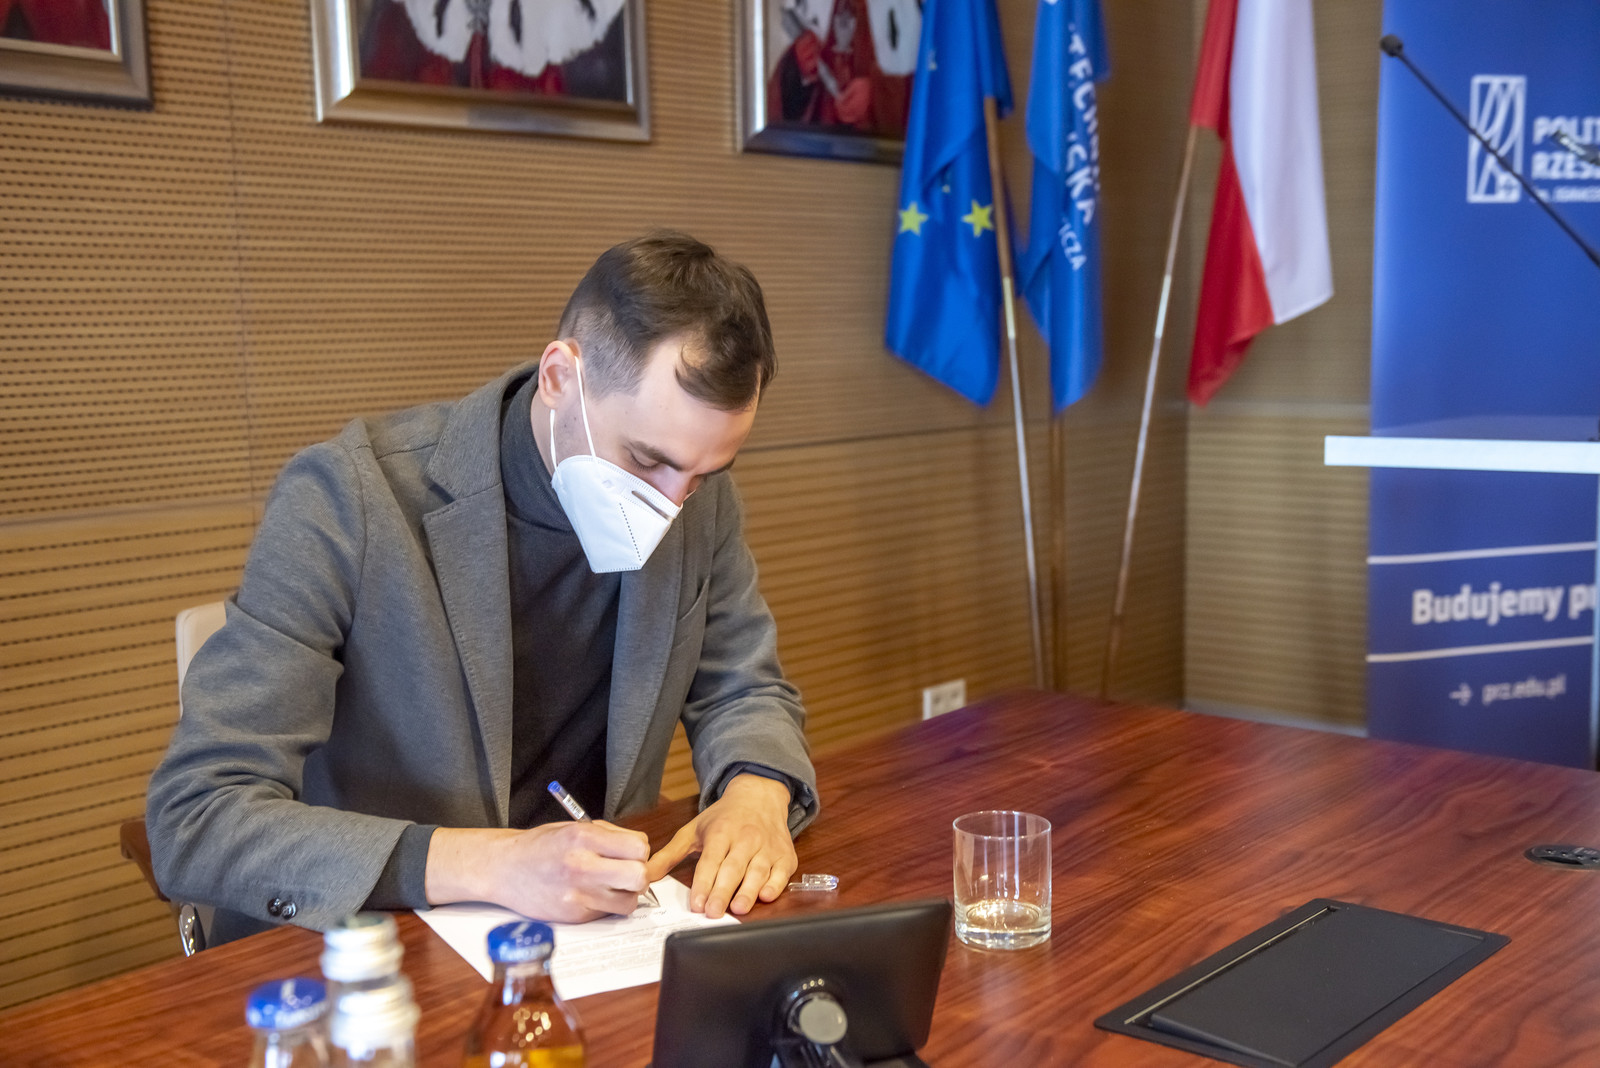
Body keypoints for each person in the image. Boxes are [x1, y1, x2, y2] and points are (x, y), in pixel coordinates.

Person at [146, 233, 818, 944]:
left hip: (594, 934)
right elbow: (197, 818)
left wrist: (757, 790)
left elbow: (744, 688)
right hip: (372, 940)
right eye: (646, 460)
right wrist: (491, 864)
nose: (672, 506)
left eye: (703, 474)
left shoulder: (696, 496)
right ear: (559, 377)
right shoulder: (350, 497)